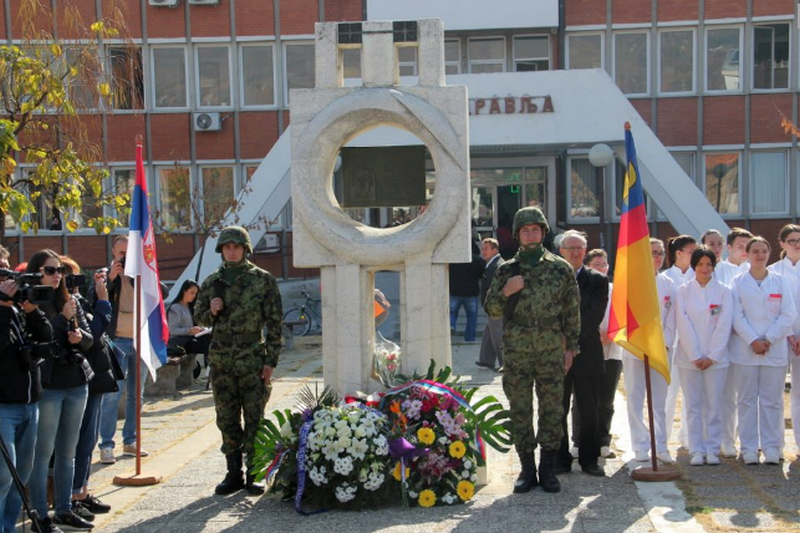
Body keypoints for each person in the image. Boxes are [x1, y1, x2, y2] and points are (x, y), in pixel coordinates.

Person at [484, 207, 580, 494]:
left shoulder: (560, 268)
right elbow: (491, 309)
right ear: (517, 235)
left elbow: (572, 312)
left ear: (543, 232)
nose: (531, 234)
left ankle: (547, 469)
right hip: (517, 350)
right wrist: (507, 291)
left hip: (551, 347)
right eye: (525, 230)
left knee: (552, 410)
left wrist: (571, 349)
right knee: (520, 409)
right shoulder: (505, 270)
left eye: (535, 229)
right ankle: (527, 469)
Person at [195, 226, 282, 495]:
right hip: (222, 360)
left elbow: (275, 323)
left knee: (255, 417)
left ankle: (254, 472)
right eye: (227, 247)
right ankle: (233, 472)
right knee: (227, 417)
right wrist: (210, 311)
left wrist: (271, 361)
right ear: (221, 250)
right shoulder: (212, 282)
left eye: (236, 246)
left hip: (252, 358)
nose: (232, 251)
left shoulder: (263, 280)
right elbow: (199, 317)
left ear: (245, 249)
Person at [26, 250, 94, 532]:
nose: (57, 276)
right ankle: (41, 515)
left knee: (68, 452)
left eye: (59, 271)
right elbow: (37, 341)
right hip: (49, 386)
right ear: (36, 273)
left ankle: (64, 509)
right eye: (50, 271)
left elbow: (90, 340)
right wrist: (60, 321)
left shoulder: (71, 300)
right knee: (43, 455)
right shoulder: (30, 303)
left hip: (76, 383)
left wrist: (79, 335)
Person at [730, 237, 796, 465]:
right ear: (746, 254)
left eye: (764, 251)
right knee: (746, 400)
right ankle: (748, 447)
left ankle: (772, 447)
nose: (759, 255)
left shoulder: (779, 281)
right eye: (755, 251)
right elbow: (736, 315)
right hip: (745, 350)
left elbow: (788, 314)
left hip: (773, 349)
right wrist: (753, 340)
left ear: (769, 254)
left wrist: (767, 339)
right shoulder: (737, 282)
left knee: (772, 401)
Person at [60, 257, 115, 520]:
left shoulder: (79, 301)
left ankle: (81, 490)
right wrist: (103, 301)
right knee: (81, 441)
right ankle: (73, 494)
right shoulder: (66, 304)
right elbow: (91, 333)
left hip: (94, 375)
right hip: (84, 377)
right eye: (71, 278)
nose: (76, 283)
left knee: (89, 439)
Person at [0, 274, 53, 533]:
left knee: (21, 475)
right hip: (3, 407)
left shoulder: (18, 309)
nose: (9, 282)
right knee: (2, 476)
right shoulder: (5, 311)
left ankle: (8, 527)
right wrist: (3, 309)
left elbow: (46, 338)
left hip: (30, 404)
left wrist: (32, 312)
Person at [98, 235, 157, 464]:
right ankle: (106, 444)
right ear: (113, 252)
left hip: (140, 340)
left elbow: (157, 295)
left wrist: (133, 276)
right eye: (121, 253)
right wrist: (112, 279)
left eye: (128, 253)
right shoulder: (105, 274)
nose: (124, 257)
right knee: (112, 395)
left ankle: (130, 440)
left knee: (136, 395)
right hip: (118, 341)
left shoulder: (141, 275)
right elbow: (96, 301)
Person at [555, 231, 609, 478]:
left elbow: (592, 316)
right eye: (570, 248)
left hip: (586, 352)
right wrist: (562, 344)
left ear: (585, 251)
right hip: (555, 352)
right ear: (561, 251)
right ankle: (560, 459)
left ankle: (589, 459)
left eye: (580, 248)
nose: (576, 252)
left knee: (589, 409)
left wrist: (571, 344)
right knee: (558, 408)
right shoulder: (552, 277)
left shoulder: (598, 281)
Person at [675, 246, 734, 466]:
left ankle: (712, 448)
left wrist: (712, 355)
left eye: (709, 264)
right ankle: (696, 449)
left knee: (714, 404)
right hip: (689, 358)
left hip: (716, 359)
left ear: (714, 266)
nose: (704, 268)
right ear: (694, 266)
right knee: (693, 405)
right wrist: (695, 354)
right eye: (700, 264)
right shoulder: (683, 291)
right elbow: (683, 323)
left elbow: (724, 324)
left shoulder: (724, 291)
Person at [623, 238, 676, 464]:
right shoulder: (630, 282)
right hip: (635, 348)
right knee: (635, 396)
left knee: (660, 399)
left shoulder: (669, 283)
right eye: (653, 252)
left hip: (661, 348)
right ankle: (640, 444)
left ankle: (661, 444)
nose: (657, 257)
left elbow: (673, 317)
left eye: (661, 253)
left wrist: (666, 342)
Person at [714, 227, 753, 457]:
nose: (745, 251)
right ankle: (727, 440)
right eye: (740, 246)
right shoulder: (718, 271)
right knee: (727, 395)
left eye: (748, 247)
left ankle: (750, 439)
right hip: (727, 341)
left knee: (750, 396)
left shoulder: (758, 272)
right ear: (728, 247)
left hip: (751, 344)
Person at [663, 234, 697, 449]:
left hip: (693, 345)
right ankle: (661, 439)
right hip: (670, 344)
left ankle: (689, 438)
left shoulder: (700, 277)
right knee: (667, 396)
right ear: (679, 253)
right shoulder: (666, 278)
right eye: (692, 252)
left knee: (692, 397)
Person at [769, 224, 800, 458]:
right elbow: (774, 309)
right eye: (791, 240)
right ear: (782, 244)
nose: (796, 244)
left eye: (799, 240)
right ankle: (774, 445)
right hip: (779, 338)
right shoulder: (773, 272)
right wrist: (788, 333)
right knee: (774, 394)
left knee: (799, 393)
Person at [586, 249, 621, 459]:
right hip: (588, 349)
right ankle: (580, 442)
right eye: (596, 264)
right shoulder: (582, 287)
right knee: (583, 400)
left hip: (613, 351)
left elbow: (624, 316)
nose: (601, 268)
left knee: (606, 400)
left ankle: (603, 442)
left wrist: (611, 335)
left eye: (604, 264)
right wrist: (594, 336)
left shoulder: (617, 290)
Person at [167, 280, 211, 376]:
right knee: (207, 344)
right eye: (191, 293)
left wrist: (202, 329)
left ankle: (210, 369)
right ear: (184, 291)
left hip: (192, 338)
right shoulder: (175, 308)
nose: (194, 296)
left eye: (195, 294)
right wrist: (189, 330)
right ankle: (209, 370)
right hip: (181, 342)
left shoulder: (190, 307)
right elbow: (173, 330)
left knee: (210, 339)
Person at [476, 238, 504, 371]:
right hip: (491, 306)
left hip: (496, 307)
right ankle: (486, 360)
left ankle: (505, 363)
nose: (483, 252)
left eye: (486, 249)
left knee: (498, 335)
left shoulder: (496, 265)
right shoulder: (491, 264)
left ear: (495, 250)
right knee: (489, 333)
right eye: (482, 249)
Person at [448, 242, 485, 342]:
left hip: (454, 291)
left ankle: (451, 325)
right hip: (471, 292)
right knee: (472, 317)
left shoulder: (453, 260)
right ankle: (470, 337)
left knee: (452, 312)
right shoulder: (477, 260)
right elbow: (482, 274)